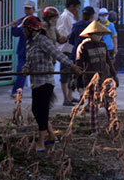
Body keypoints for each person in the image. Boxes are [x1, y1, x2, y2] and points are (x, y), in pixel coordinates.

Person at [20, 15, 82, 152]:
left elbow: (57, 55)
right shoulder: (29, 42)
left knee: (41, 111)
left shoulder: (43, 41)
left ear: (31, 29)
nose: (23, 32)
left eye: (25, 29)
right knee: (37, 110)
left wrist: (72, 66)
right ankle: (52, 135)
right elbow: (29, 60)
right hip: (36, 82)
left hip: (46, 82)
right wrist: (26, 67)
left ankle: (41, 142)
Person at [75, 21, 117, 89]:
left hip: (104, 76)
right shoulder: (84, 46)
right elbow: (79, 63)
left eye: (100, 34)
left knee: (104, 97)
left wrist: (114, 74)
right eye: (96, 34)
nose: (98, 35)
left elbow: (108, 60)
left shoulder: (103, 45)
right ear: (90, 34)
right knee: (92, 97)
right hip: (90, 77)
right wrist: (76, 78)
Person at [56, 0, 81, 106]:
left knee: (72, 74)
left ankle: (70, 96)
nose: (77, 10)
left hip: (72, 48)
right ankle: (66, 98)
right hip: (66, 49)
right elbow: (62, 32)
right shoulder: (65, 17)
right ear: (72, 6)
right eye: (76, 8)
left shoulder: (71, 17)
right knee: (65, 74)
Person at [10, 0, 36, 97]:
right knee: (21, 73)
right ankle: (16, 92)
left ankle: (36, 92)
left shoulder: (36, 22)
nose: (27, 10)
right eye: (26, 8)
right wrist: (13, 26)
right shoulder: (21, 22)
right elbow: (16, 33)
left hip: (34, 52)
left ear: (33, 9)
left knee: (36, 73)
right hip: (23, 52)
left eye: (29, 8)